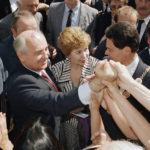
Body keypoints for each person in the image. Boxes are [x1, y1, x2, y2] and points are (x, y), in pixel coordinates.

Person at [7, 30, 101, 142]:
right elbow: (56, 102)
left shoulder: (43, 67)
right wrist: (92, 86)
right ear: (21, 56)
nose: (46, 56)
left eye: (46, 49)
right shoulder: (20, 83)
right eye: (38, 53)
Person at [100, 22, 150, 140]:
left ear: (126, 51)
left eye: (110, 49)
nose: (106, 53)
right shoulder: (105, 66)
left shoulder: (147, 78)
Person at [51, 26, 99, 150]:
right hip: (65, 127)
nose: (84, 55)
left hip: (92, 124)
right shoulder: (57, 69)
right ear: (68, 53)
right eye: (78, 52)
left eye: (86, 49)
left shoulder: (97, 67)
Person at [0, 10, 38, 76]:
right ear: (14, 31)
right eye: (26, 31)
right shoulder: (2, 52)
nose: (32, 35)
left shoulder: (39, 43)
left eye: (34, 30)